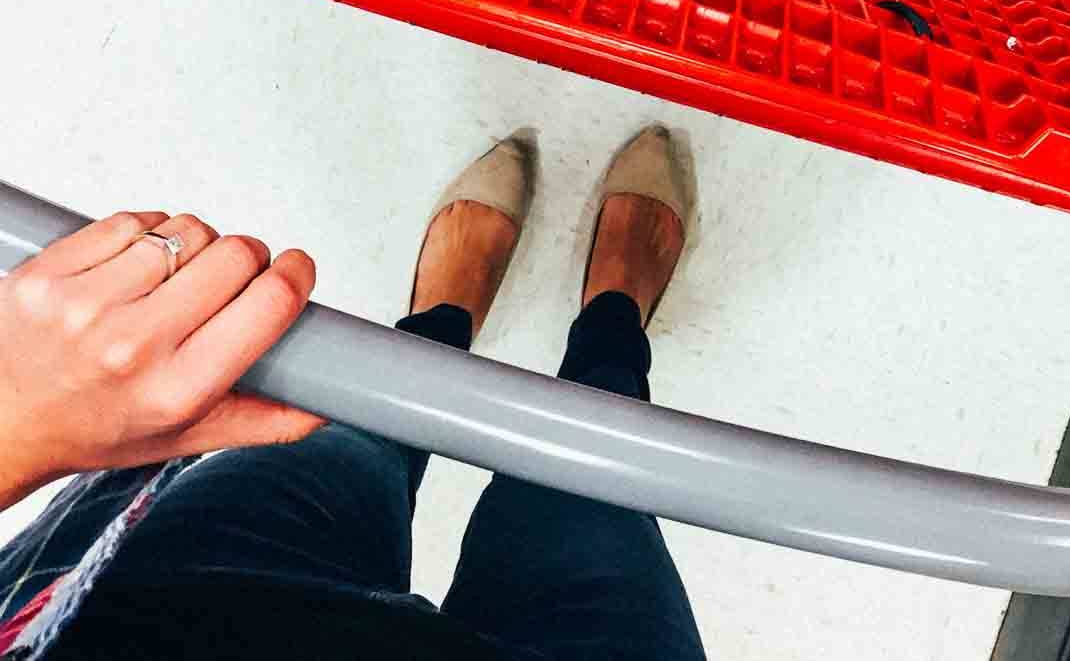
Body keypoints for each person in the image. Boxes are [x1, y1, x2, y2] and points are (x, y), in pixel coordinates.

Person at [0, 126, 704, 659]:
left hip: (158, 609)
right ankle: (612, 325)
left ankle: (435, 327)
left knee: (347, 440)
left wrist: (14, 432)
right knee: (590, 486)